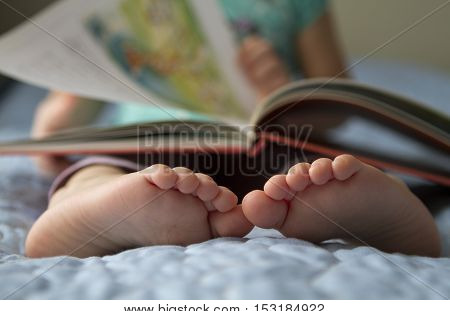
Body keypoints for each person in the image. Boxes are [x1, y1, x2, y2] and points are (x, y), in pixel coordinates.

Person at [26, 0, 440, 258]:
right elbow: (63, 119)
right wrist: (58, 119)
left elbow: (338, 101)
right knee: (97, 168)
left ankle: (365, 206)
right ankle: (93, 204)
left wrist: (284, 91)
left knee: (324, 170)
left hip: (270, 140)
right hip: (143, 149)